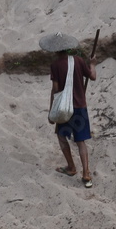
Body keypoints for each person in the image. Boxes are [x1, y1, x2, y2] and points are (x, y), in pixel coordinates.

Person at [41, 32, 98, 188]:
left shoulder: (55, 66)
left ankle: (71, 167)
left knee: (61, 136)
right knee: (81, 141)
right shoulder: (78, 61)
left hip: (65, 109)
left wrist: (51, 111)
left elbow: (55, 90)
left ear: (54, 50)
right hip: (80, 107)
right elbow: (92, 76)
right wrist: (92, 64)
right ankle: (86, 174)